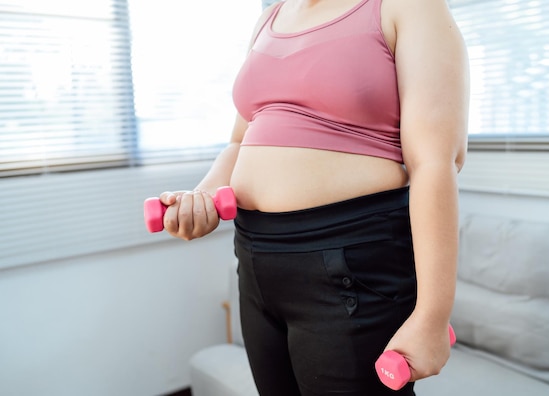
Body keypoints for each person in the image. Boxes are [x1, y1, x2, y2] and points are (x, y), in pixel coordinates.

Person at [158, 0, 469, 394]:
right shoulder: (269, 18)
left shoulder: (406, 6)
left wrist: (432, 316)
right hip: (256, 259)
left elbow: (435, 164)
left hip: (349, 259)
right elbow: (241, 141)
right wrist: (201, 195)